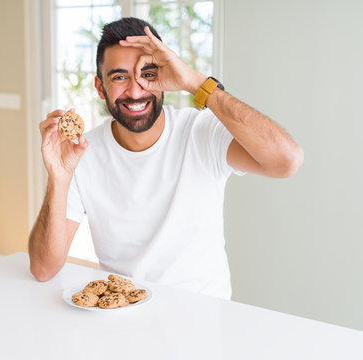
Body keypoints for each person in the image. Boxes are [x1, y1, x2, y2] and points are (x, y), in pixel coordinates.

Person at [28, 17, 303, 299]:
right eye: (120, 77)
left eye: (147, 74)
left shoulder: (202, 132)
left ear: (164, 76)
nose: (135, 91)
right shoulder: (80, 153)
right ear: (100, 88)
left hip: (202, 317)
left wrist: (196, 83)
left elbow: (287, 160)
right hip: (123, 316)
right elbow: (43, 269)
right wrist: (59, 178)